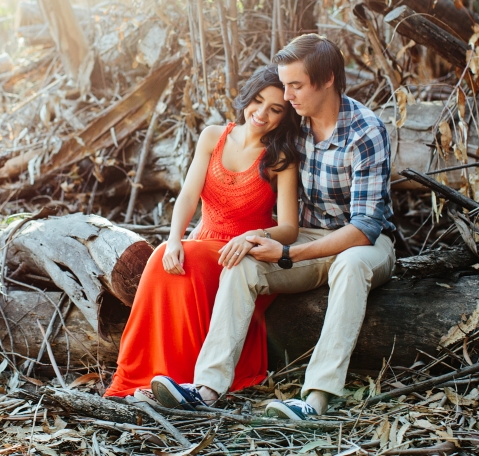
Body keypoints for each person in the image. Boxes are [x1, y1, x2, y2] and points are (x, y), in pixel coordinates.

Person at [150, 34, 395, 420]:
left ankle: (314, 400)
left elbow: (365, 227)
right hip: (311, 237)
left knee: (350, 265)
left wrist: (287, 253)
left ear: (328, 78)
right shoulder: (293, 126)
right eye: (286, 85)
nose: (289, 94)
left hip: (364, 243)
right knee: (243, 263)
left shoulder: (366, 131)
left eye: (296, 85)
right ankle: (207, 388)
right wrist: (254, 235)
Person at [103, 65, 301, 401]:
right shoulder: (213, 136)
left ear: (285, 116)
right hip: (202, 240)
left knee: (190, 266)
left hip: (242, 254)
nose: (262, 114)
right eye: (258, 101)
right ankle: (141, 376)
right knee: (158, 261)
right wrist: (174, 240)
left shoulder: (280, 157)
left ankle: (183, 384)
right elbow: (188, 196)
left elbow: (289, 228)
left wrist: (252, 236)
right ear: (247, 97)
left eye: (275, 109)